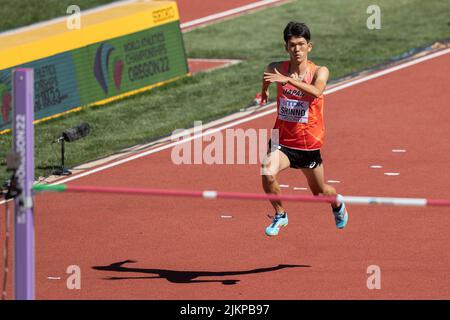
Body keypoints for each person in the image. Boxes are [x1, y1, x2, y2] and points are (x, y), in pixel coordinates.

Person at [260, 21, 348, 236]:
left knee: (320, 192)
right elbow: (267, 75)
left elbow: (316, 92)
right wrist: (264, 92)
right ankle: (280, 215)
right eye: (292, 45)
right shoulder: (276, 68)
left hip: (307, 142)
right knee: (267, 172)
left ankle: (337, 204)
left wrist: (288, 80)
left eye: (301, 44)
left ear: (309, 46)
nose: (297, 49)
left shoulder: (320, 71)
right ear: (286, 47)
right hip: (281, 138)